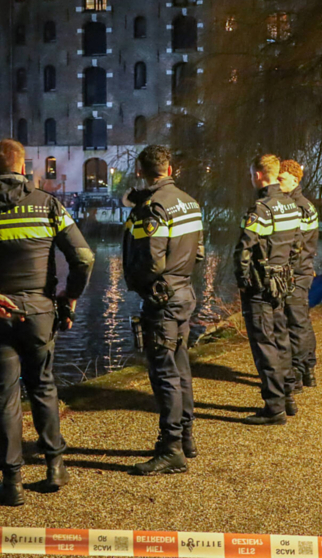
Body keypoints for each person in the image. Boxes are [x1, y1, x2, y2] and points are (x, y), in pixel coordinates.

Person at [0, 139, 94, 506]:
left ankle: (11, 484)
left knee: (4, 396)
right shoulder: (47, 205)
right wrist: (69, 298)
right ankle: (55, 467)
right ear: (23, 169)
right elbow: (84, 257)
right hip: (39, 313)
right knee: (43, 386)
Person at [122, 145, 204, 475]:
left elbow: (152, 260)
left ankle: (171, 450)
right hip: (184, 293)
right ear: (168, 169)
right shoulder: (190, 202)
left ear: (141, 171)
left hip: (163, 299)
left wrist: (144, 287)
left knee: (164, 373)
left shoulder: (151, 208)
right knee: (180, 366)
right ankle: (185, 437)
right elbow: (198, 254)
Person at [235, 154, 302, 425]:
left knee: (264, 343)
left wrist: (243, 281)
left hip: (261, 285)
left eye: (253, 174)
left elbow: (243, 249)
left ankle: (273, 407)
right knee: (282, 338)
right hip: (282, 281)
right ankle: (288, 397)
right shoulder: (290, 205)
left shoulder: (260, 209)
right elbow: (297, 245)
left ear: (260, 175)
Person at [278, 159, 319, 392]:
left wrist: (290, 270)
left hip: (296, 272)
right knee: (301, 319)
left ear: (295, 179)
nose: (278, 182)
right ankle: (308, 369)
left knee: (295, 322)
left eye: (282, 178)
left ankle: (297, 371)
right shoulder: (305, 205)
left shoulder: (297, 207)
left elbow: (296, 245)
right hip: (303, 270)